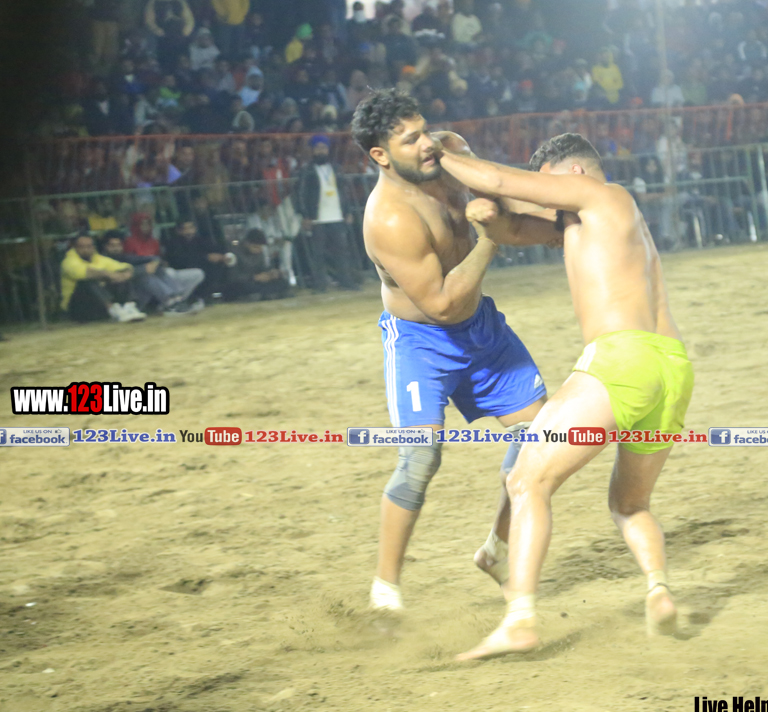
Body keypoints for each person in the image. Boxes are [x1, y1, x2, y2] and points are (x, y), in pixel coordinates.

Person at [436, 133, 694, 660]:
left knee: (526, 480)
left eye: (550, 184)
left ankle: (520, 620)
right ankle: (658, 590)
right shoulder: (595, 217)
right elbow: (511, 222)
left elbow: (503, 180)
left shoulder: (601, 193)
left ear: (573, 174)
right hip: (672, 367)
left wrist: (442, 153)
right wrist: (488, 215)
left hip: (622, 358)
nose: (547, 197)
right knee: (630, 504)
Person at [351, 89, 550, 612]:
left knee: (539, 437)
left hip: (481, 328)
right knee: (420, 456)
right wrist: (490, 238)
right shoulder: (389, 218)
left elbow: (503, 194)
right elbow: (440, 305)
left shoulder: (451, 151)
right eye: (409, 139)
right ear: (380, 155)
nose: (426, 144)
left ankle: (497, 551)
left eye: (424, 129)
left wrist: (562, 218)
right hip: (423, 341)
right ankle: (386, 590)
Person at [295, 135, 364, 290]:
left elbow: (344, 191)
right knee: (317, 253)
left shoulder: (336, 168)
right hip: (317, 217)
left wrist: (347, 211)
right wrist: (305, 215)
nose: (321, 151)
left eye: (324, 148)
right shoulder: (306, 170)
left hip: (337, 215)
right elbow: (301, 193)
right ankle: (320, 284)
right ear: (312, 150)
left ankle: (346, 281)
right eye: (318, 148)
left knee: (342, 251)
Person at [100, 230, 205, 314]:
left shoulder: (124, 257)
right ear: (105, 246)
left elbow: (153, 258)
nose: (116, 249)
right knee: (144, 276)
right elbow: (118, 276)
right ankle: (170, 303)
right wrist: (143, 269)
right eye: (112, 246)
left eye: (118, 245)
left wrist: (153, 264)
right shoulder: (101, 261)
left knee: (157, 268)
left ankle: (176, 300)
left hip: (138, 295)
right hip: (120, 300)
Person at [61, 233, 147, 323]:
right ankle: (113, 309)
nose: (86, 249)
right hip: (77, 307)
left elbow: (124, 267)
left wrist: (124, 275)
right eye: (82, 247)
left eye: (89, 246)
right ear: (75, 248)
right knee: (87, 281)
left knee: (120, 277)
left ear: (93, 247)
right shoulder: (68, 262)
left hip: (97, 305)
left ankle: (128, 307)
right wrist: (109, 275)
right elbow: (85, 273)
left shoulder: (98, 258)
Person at [164, 218, 230, 299]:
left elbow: (213, 248)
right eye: (185, 229)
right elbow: (180, 260)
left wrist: (221, 256)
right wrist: (206, 258)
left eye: (191, 228)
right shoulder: (173, 243)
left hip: (201, 266)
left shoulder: (200, 240)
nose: (189, 232)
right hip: (182, 270)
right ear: (178, 231)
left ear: (195, 229)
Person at [222, 229, 290, 300]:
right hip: (242, 284)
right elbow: (232, 277)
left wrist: (270, 274)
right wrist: (254, 277)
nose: (258, 250)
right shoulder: (234, 253)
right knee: (245, 287)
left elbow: (262, 268)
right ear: (247, 243)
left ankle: (262, 294)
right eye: (256, 247)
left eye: (260, 247)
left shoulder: (259, 253)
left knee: (282, 282)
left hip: (256, 282)